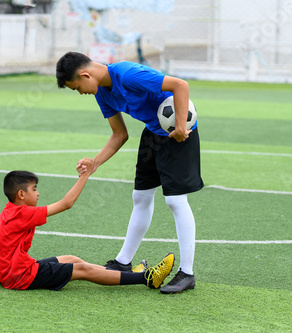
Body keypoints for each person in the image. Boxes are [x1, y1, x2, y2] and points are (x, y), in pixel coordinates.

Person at [55, 52, 203, 294]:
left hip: (179, 135)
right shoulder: (102, 93)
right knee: (141, 197)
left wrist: (179, 127)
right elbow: (119, 135)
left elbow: (180, 85)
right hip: (153, 133)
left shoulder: (128, 74)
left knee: (175, 200)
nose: (80, 92)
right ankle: (123, 262)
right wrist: (95, 163)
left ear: (85, 75)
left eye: (77, 88)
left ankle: (187, 273)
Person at [0, 161, 175, 291]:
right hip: (19, 277)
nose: (38, 193)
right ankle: (146, 278)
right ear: (21, 194)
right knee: (81, 269)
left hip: (7, 273)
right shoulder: (24, 213)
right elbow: (67, 204)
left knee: (72, 259)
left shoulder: (6, 212)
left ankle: (129, 273)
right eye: (34, 189)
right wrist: (85, 175)